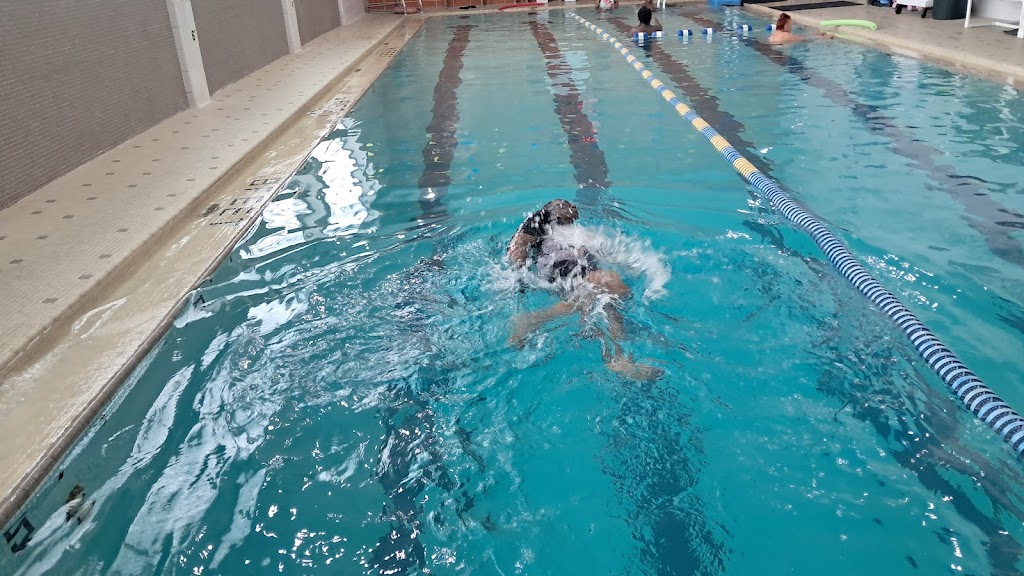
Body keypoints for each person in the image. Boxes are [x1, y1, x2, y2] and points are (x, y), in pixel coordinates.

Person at [506, 200, 662, 381]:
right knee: (610, 284)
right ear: (552, 209)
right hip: (561, 269)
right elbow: (517, 248)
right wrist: (520, 281)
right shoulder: (540, 219)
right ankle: (534, 319)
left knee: (606, 303)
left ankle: (618, 360)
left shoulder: (572, 232)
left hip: (577, 271)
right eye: (565, 203)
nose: (573, 207)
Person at [766, 13, 833, 44]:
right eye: (790, 24)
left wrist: (816, 34)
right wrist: (825, 37)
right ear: (786, 25)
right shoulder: (786, 35)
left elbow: (798, 37)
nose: (791, 27)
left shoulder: (773, 35)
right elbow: (805, 40)